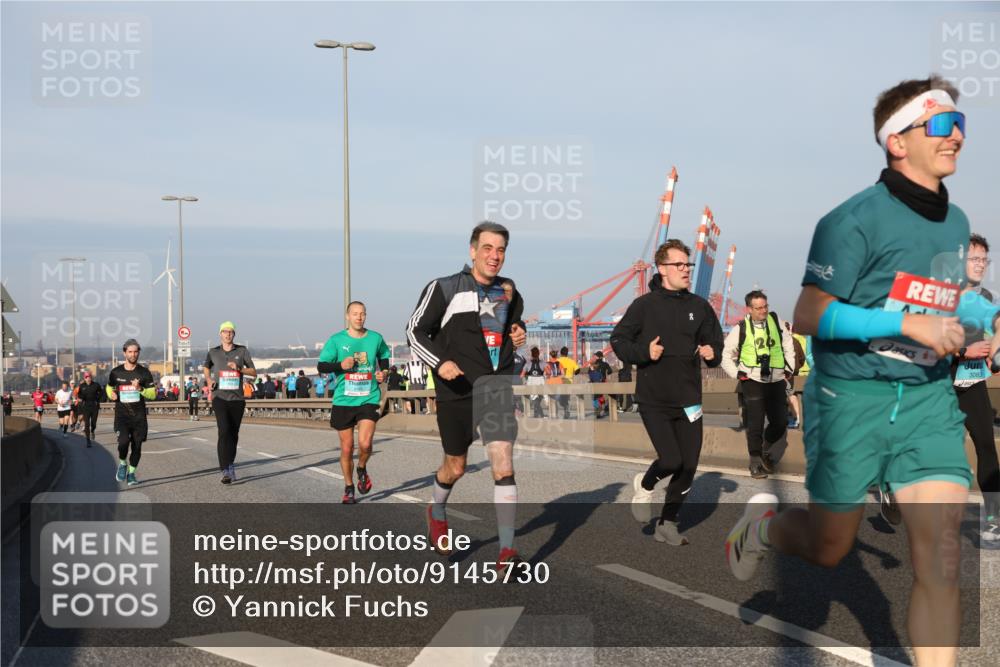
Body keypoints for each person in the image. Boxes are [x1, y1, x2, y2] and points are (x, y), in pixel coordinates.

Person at [724, 77, 998, 666]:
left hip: (927, 404)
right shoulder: (849, 221)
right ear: (897, 141)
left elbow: (939, 303)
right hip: (852, 398)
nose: (957, 139)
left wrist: (963, 326)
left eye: (962, 127)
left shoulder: (956, 224)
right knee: (830, 546)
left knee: (942, 559)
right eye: (943, 127)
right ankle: (764, 526)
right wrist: (906, 327)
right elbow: (808, 312)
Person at [406, 221, 528, 568]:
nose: (494, 256)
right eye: (487, 248)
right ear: (473, 250)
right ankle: (437, 508)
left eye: (501, 249)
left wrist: (519, 333)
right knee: (455, 467)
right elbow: (414, 332)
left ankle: (507, 552)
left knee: (503, 462)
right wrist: (439, 361)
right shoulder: (444, 287)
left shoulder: (509, 290)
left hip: (497, 386)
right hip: (456, 390)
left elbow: (514, 325)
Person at [611, 239, 724, 545]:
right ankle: (646, 485)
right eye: (680, 265)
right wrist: (644, 351)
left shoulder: (699, 306)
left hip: (689, 400)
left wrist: (712, 351)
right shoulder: (644, 306)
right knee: (671, 460)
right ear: (662, 269)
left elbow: (715, 341)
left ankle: (668, 522)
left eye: (688, 265)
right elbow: (618, 340)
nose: (686, 270)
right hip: (654, 398)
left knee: (689, 465)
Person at [318, 301, 391, 504]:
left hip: (369, 396)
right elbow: (322, 365)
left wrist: (383, 372)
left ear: (365, 316)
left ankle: (361, 467)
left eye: (362, 314)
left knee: (365, 444)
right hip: (344, 399)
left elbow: (384, 357)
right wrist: (340, 365)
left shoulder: (376, 338)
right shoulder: (336, 340)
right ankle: (349, 487)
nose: (359, 317)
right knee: (347, 448)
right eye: (355, 314)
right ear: (347, 316)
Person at [953, 233, 999, 547]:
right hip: (936, 383)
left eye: (984, 259)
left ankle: (994, 521)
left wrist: (995, 348)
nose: (980, 264)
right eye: (974, 258)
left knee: (986, 446)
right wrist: (962, 349)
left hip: (971, 381)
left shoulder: (983, 298)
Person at [720, 290, 796, 478]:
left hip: (777, 379)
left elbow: (788, 345)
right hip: (752, 380)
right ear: (749, 309)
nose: (763, 310)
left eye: (765, 306)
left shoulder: (776, 322)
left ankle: (764, 450)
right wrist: (737, 374)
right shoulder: (741, 328)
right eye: (759, 308)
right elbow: (725, 355)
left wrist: (789, 367)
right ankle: (755, 463)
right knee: (755, 423)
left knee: (780, 422)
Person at [203, 321, 256, 484]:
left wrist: (239, 369)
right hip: (219, 397)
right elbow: (206, 367)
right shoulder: (213, 352)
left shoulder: (242, 350)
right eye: (224, 332)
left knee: (233, 434)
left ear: (234, 334)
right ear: (220, 334)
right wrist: (208, 378)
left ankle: (230, 464)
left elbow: (253, 372)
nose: (227, 335)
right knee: (224, 430)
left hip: (237, 399)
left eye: (230, 332)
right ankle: (225, 469)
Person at [107, 339, 156, 485]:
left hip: (139, 416)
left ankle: (132, 474)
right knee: (123, 442)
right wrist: (112, 395)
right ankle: (122, 463)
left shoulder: (144, 373)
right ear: (124, 353)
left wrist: (140, 389)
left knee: (137, 445)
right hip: (122, 416)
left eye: (136, 352)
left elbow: (153, 395)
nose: (133, 354)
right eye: (130, 352)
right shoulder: (116, 372)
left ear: (139, 352)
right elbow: (109, 387)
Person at [76, 371, 104, 447]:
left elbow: (101, 392)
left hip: (94, 406)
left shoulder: (96, 385)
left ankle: (93, 431)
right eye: (86, 377)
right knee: (87, 424)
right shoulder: (82, 386)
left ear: (91, 378)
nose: (88, 379)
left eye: (89, 377)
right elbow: (79, 394)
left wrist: (97, 399)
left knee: (93, 423)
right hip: (86, 407)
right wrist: (81, 398)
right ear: (84, 378)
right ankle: (88, 441)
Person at [521, 346, 547, 418]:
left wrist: (524, 381)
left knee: (535, 399)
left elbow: (522, 375)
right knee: (538, 399)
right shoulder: (543, 363)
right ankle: (539, 414)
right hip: (541, 382)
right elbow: (548, 372)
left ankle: (539, 414)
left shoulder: (528, 364)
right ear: (538, 354)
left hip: (531, 382)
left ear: (531, 354)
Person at [556, 347, 580, 418]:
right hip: (568, 382)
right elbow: (578, 370)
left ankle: (561, 411)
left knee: (558, 399)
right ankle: (566, 409)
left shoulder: (557, 361)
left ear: (561, 353)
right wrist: (573, 373)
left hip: (559, 382)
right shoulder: (571, 361)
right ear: (567, 353)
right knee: (565, 397)